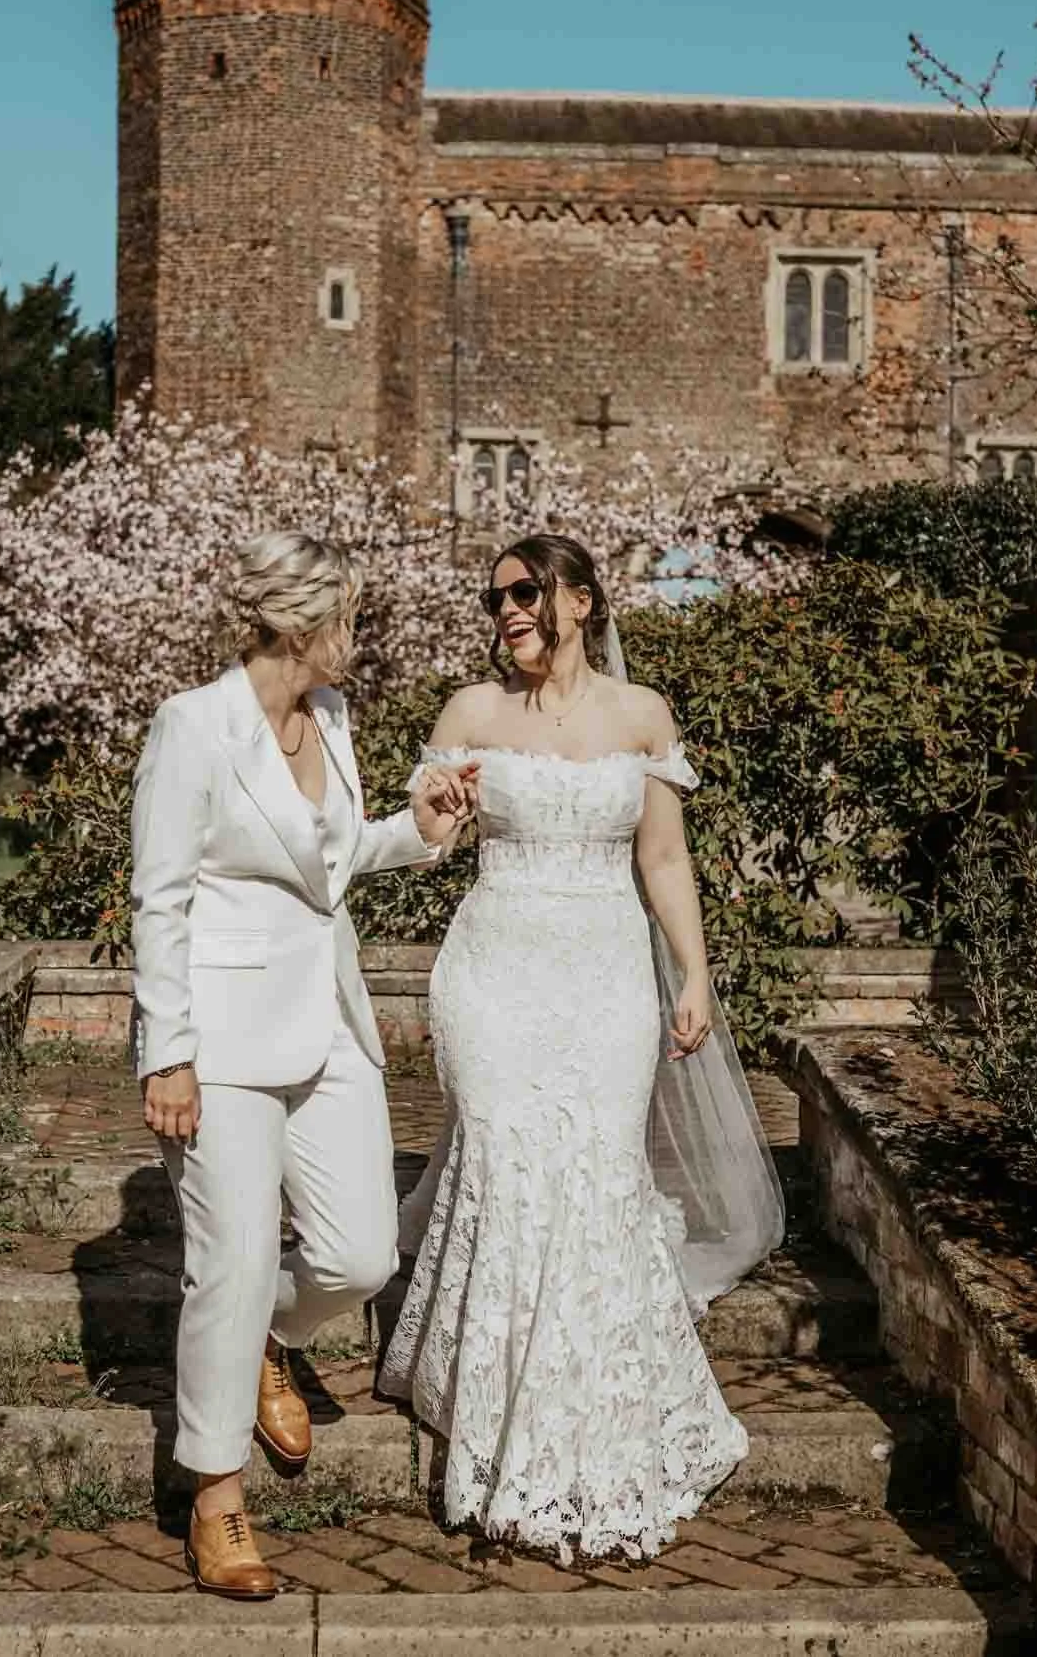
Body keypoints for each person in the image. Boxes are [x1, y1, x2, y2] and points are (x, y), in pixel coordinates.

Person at [379, 532, 785, 1564]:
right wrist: (436, 814)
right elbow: (431, 838)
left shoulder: (640, 715)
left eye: (524, 592)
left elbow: (662, 854)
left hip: (607, 977)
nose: (506, 609)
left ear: (580, 599)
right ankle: (495, 1418)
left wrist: (693, 972)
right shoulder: (471, 711)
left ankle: (590, 1418)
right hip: (493, 972)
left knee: (596, 1170)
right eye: (495, 597)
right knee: (511, 1171)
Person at [129, 531, 477, 1599]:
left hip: (327, 1022)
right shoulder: (194, 726)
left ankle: (272, 1340)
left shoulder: (330, 721)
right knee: (227, 1261)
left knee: (361, 1253)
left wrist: (412, 831)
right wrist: (169, 1052)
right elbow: (162, 896)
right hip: (221, 1043)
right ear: (298, 623)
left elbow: (324, 859)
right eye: (347, 622)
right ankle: (217, 1495)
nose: (354, 642)